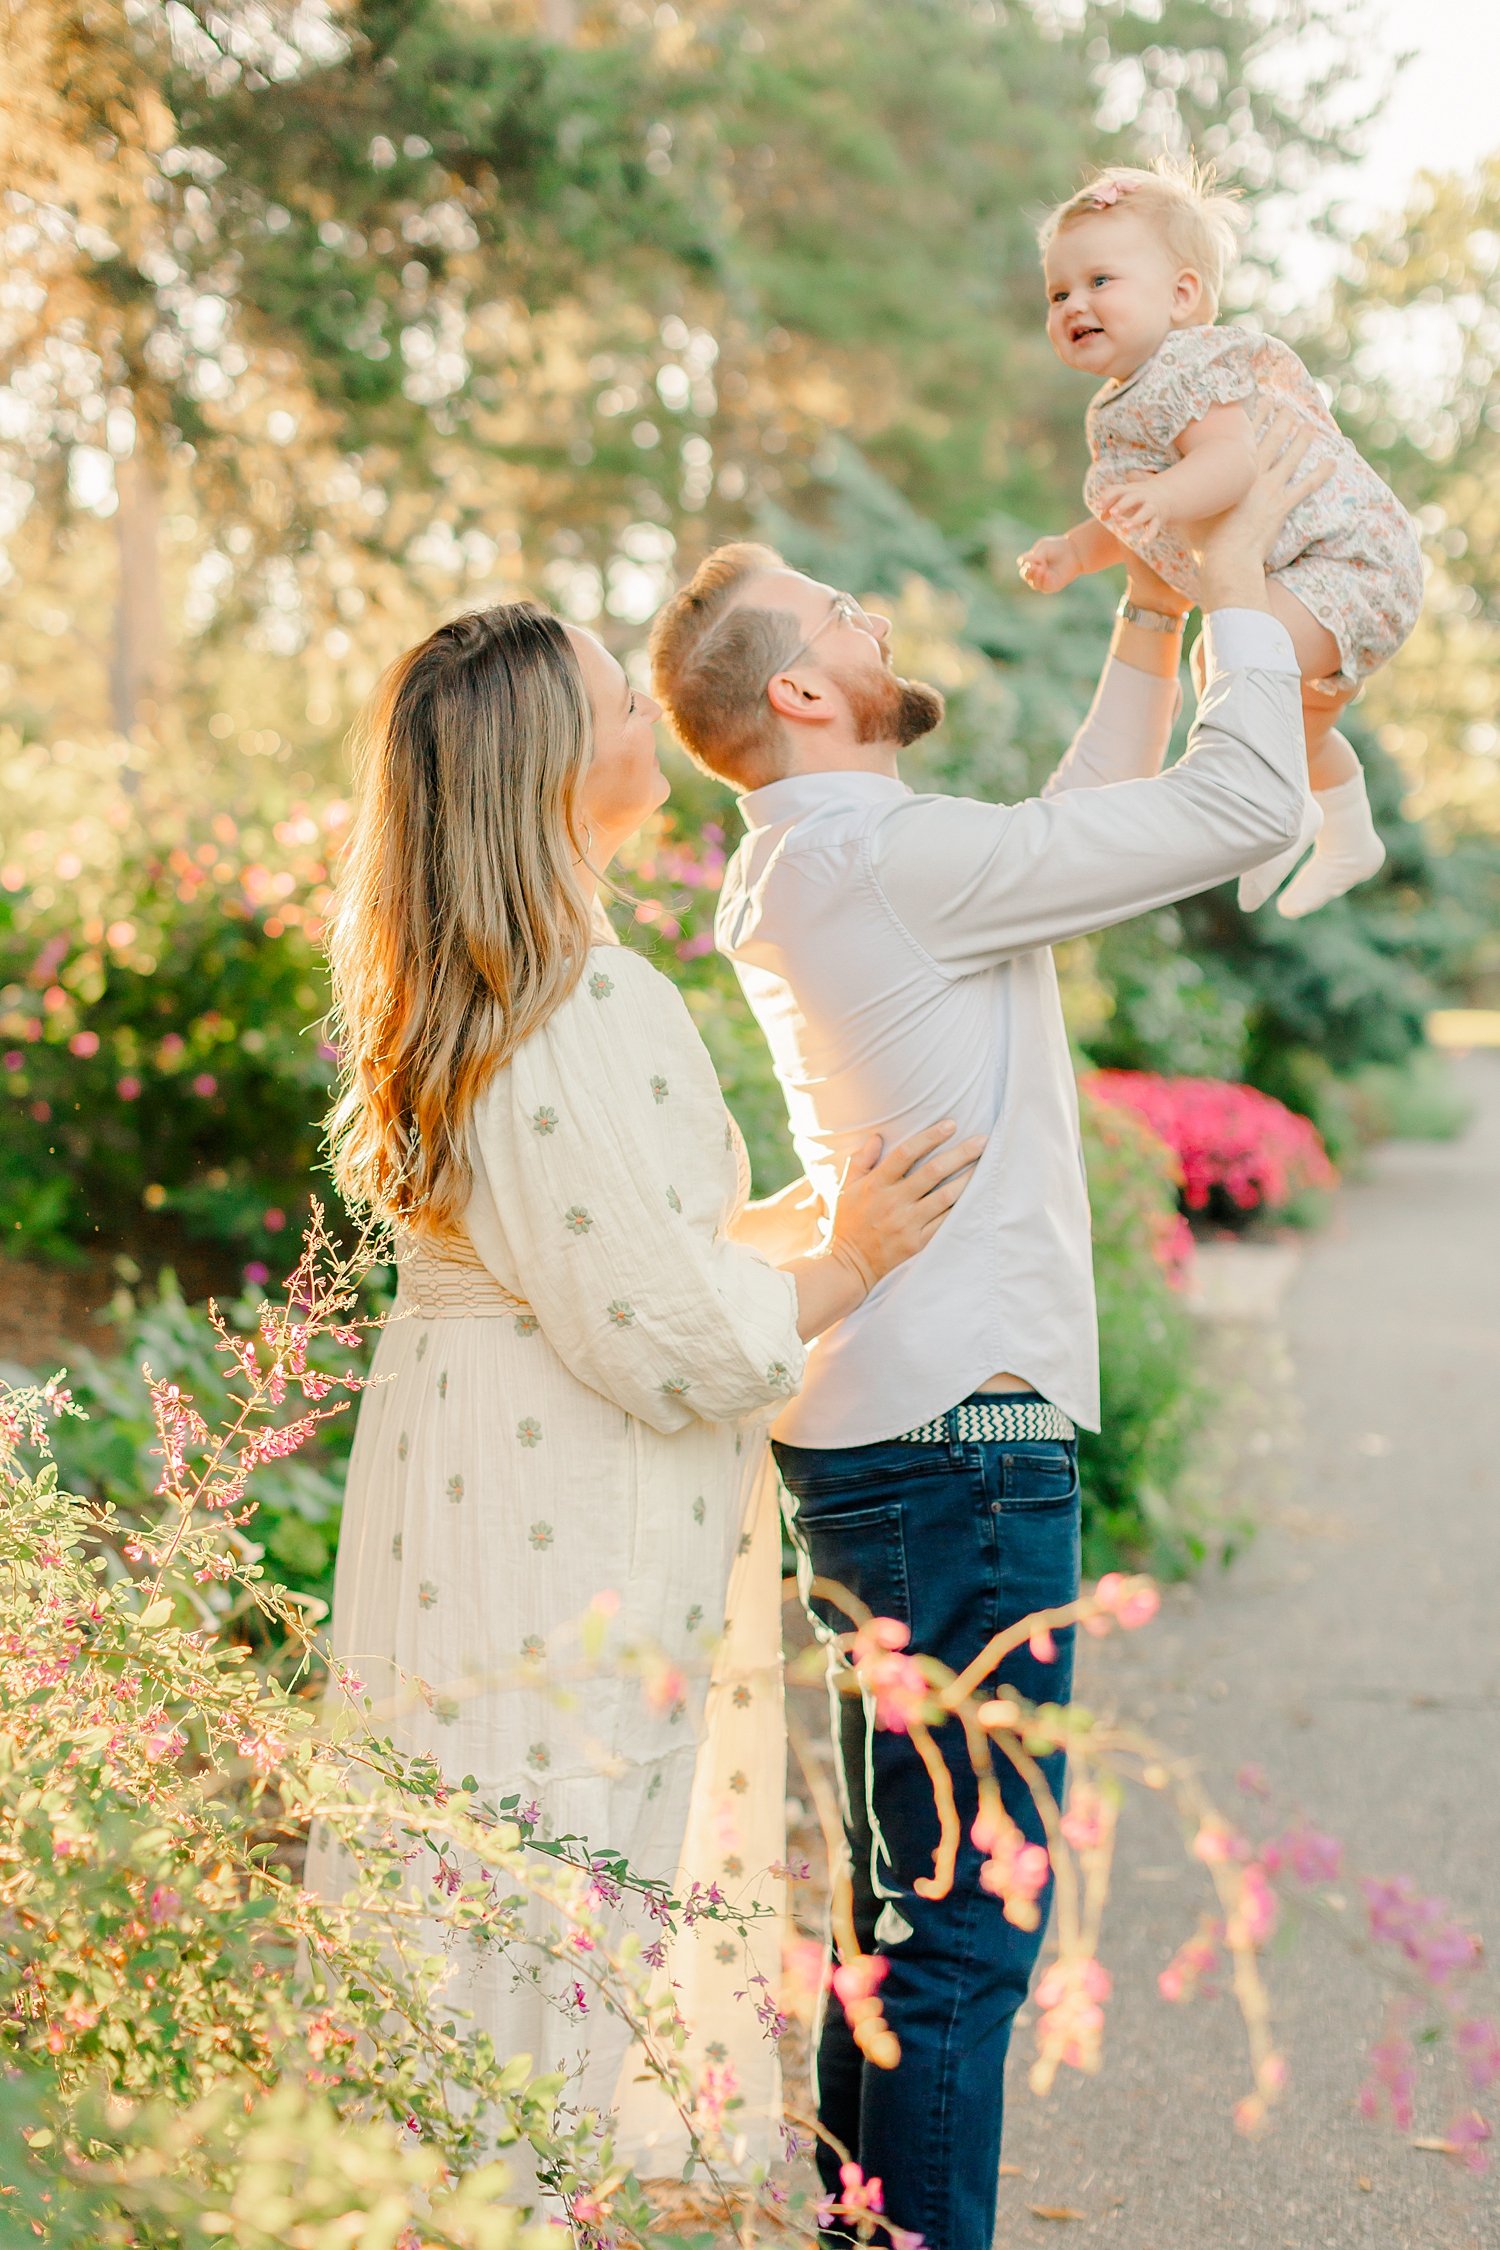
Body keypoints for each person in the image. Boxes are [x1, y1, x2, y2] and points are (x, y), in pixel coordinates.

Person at [647, 417, 1327, 2250]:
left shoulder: (831, 856)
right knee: (959, 1937)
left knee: (903, 1922)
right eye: (847, 613)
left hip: (891, 1441)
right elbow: (1239, 810)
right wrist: (1245, 576)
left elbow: (1062, 842)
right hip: (959, 1451)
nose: (879, 621)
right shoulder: (881, 859)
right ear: (804, 689)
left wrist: (1145, 621)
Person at [305, 600, 983, 2172]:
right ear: (552, 768)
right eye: (621, 704)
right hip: (559, 1503)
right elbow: (654, 1325)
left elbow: (610, 1245)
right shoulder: (570, 995)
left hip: (485, 1461)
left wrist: (791, 1226)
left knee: (481, 1861)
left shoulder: (503, 980)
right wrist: (856, 1257)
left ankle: (441, 2185)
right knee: (541, 1865)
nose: (648, 725)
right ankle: (487, 2197)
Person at [1018, 159, 1422, 919]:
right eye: (1058, 292)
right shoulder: (1118, 409)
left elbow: (1230, 466)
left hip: (1348, 561)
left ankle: (1280, 813)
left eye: (1101, 281)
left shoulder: (1192, 367)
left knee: (1224, 657)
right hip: (1296, 577)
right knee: (1293, 720)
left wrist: (1164, 493)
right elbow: (1137, 515)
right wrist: (1078, 550)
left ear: (1182, 296)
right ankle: (1345, 828)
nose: (1075, 303)